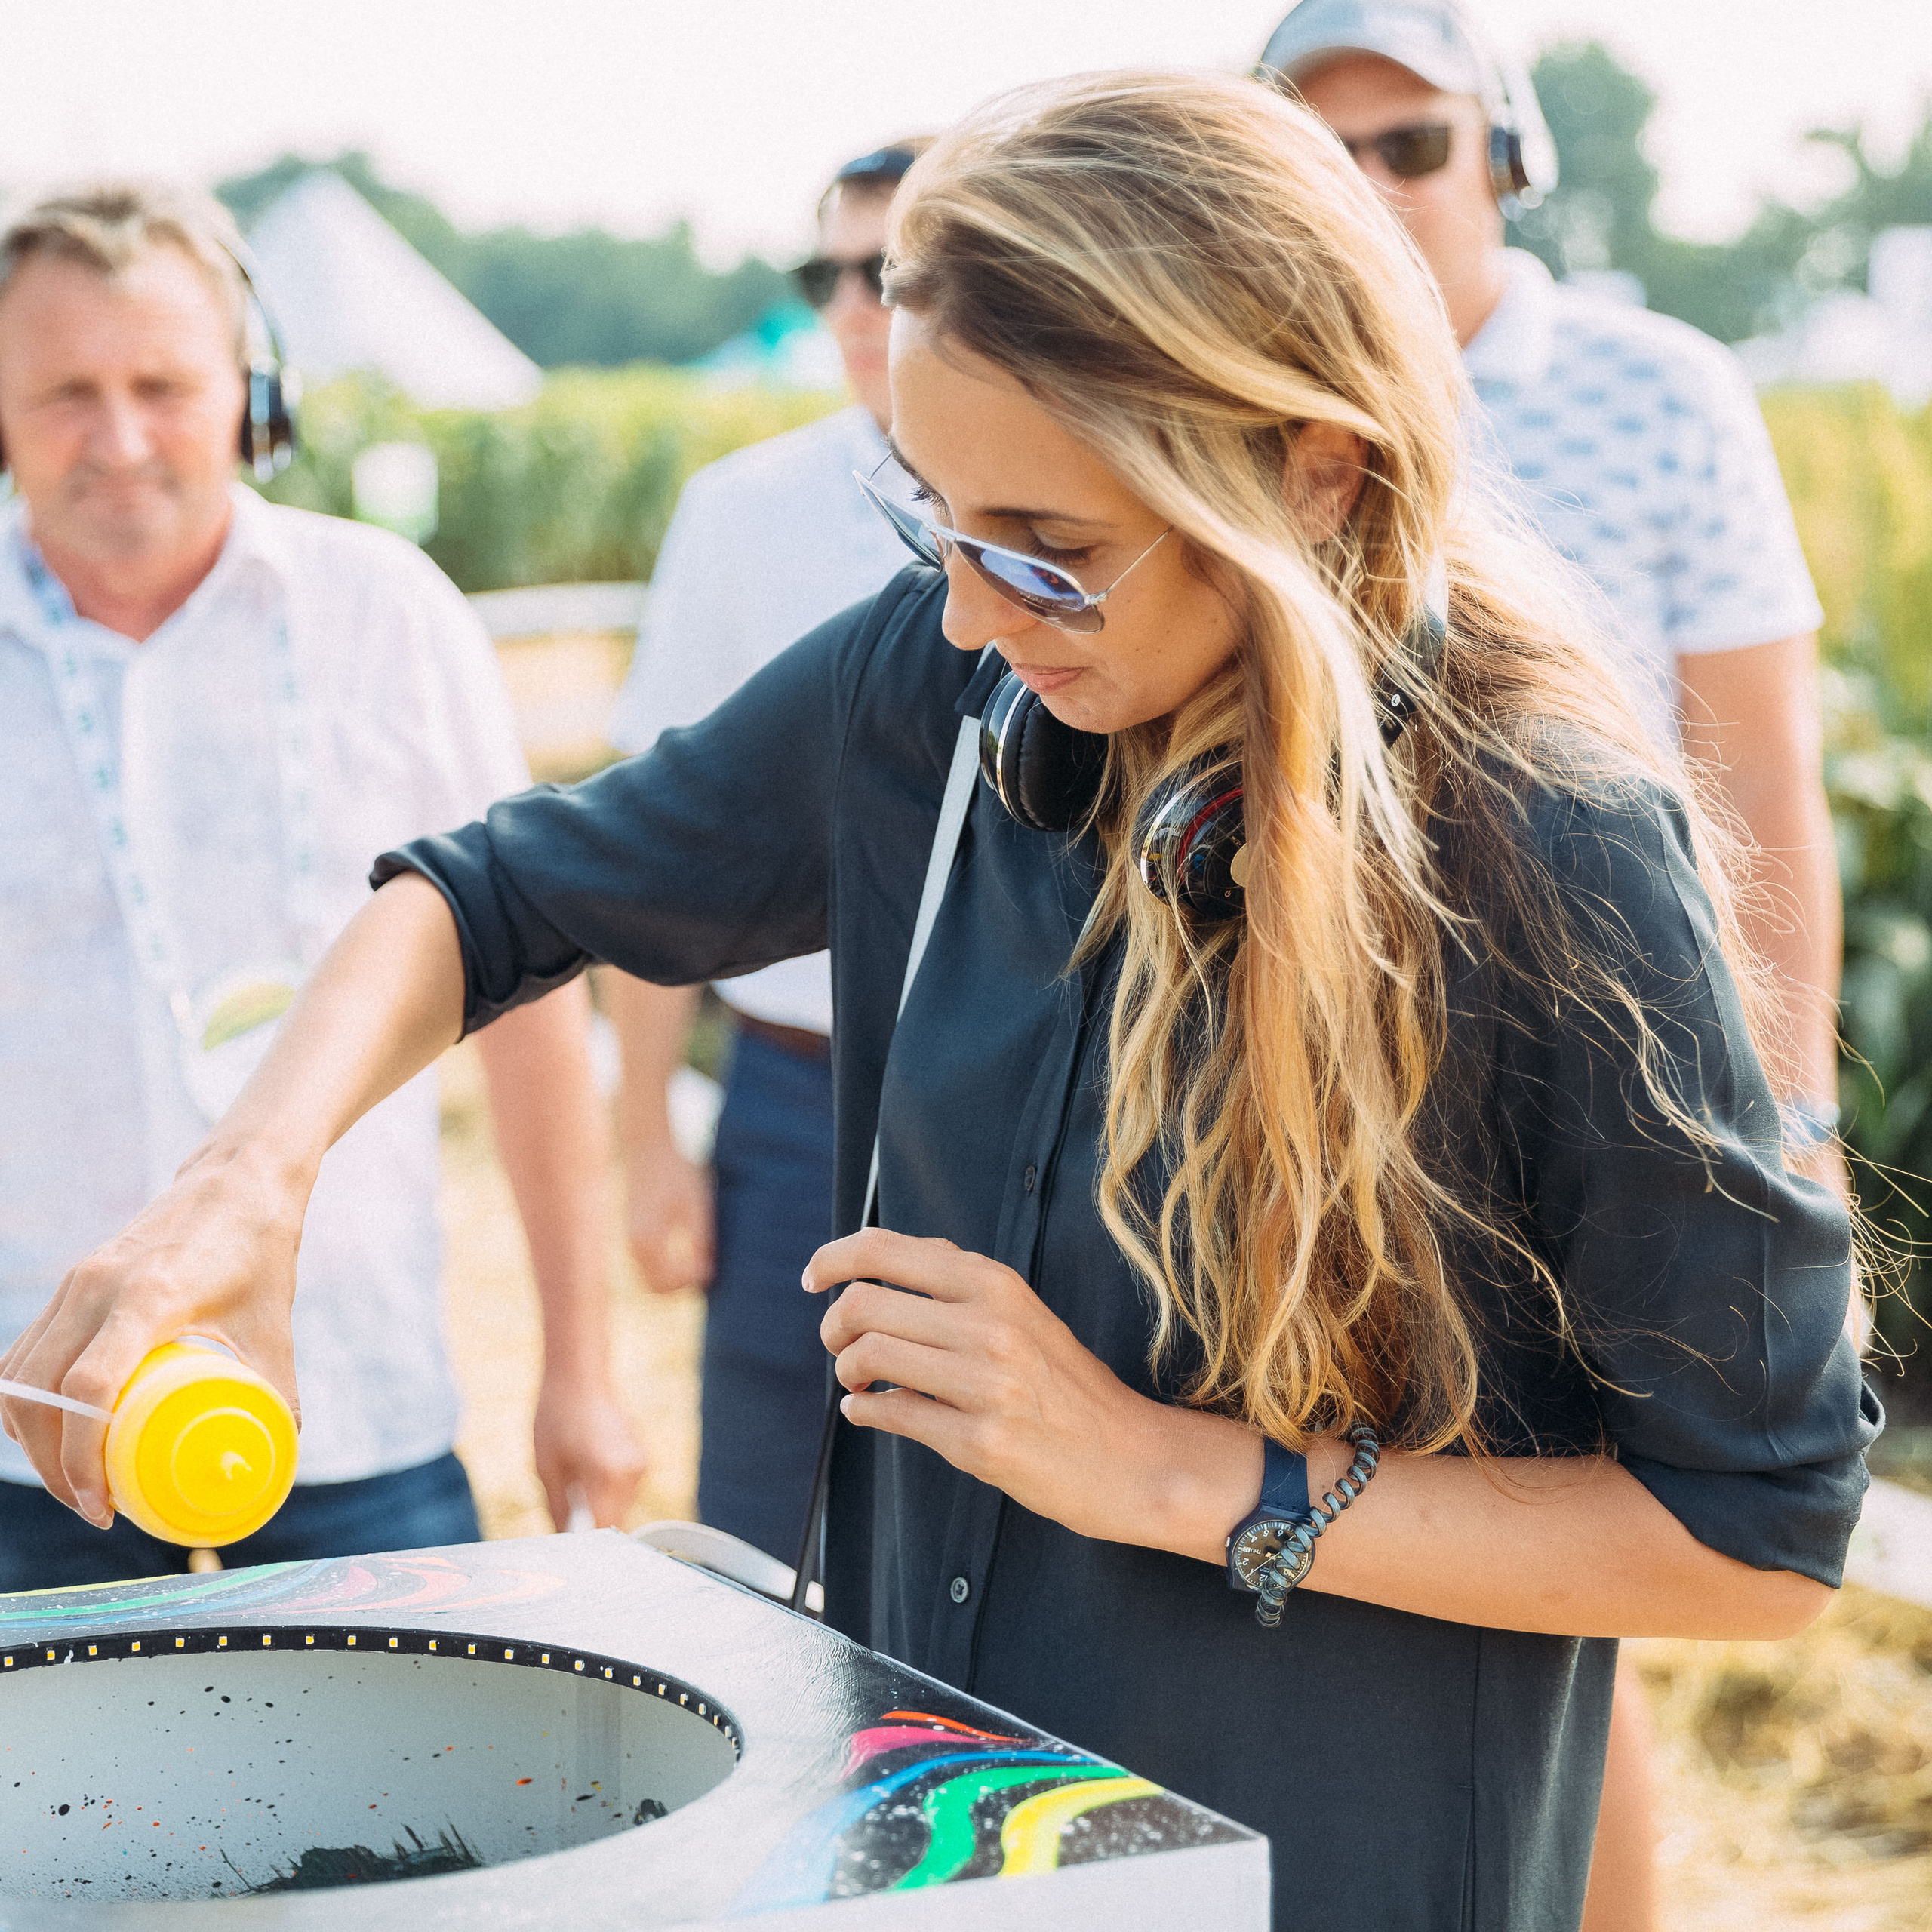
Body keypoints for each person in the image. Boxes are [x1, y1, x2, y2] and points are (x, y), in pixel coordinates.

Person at [2, 79, 1875, 1932]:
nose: (973, 612)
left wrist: (1167, 1470)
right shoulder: (952, 684)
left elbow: (1754, 1532)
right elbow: (490, 896)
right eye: (935, 519)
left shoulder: (1547, 844)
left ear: (1315, 467)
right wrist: (249, 1178)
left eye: (1046, 543)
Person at [1254, 8, 1850, 1924]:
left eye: (1409, 146)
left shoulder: (1656, 388)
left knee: (1574, 1589)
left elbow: (1756, 775)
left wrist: (1791, 1108)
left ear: (1505, 157)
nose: (1365, 189)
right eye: (1315, 149)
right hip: (1303, 1091)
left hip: (1590, 1080)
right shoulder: (1226, 389)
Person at [0, 180, 643, 1589]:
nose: (116, 440)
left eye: (162, 385)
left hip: (355, 1412)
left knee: (410, 1816)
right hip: (25, 1427)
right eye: (64, 393)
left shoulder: (392, 614)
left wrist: (579, 1365)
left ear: (255, 395)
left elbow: (534, 1002)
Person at [605, 141, 927, 1567]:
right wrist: (644, 1143)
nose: (858, 304)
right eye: (831, 273)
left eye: (895, 271)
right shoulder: (739, 510)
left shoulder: (1104, 502)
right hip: (792, 1095)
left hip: (1028, 1094)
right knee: (756, 1525)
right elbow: (651, 853)